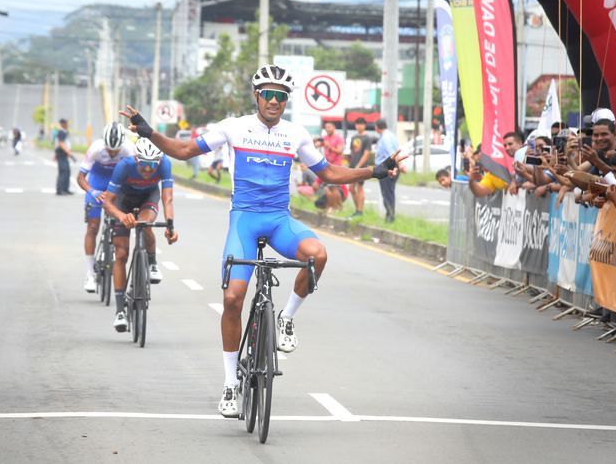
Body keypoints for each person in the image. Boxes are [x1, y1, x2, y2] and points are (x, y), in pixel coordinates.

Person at [119, 64, 406, 417]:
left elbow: (329, 173)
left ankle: (285, 317)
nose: (274, 101)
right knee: (234, 297)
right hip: (245, 221)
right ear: (256, 95)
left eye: (280, 96)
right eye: (267, 94)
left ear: (286, 100)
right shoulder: (234, 127)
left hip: (279, 220)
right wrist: (148, 132)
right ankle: (229, 384)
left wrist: (375, 171)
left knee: (318, 254)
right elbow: (182, 151)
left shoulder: (296, 134)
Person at [100, 138, 178, 331]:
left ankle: (151, 263)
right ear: (137, 159)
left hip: (148, 198)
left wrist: (170, 225)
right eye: (144, 163)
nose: (149, 169)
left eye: (153, 164)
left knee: (145, 224)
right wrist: (121, 216)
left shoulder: (164, 164)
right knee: (121, 254)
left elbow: (167, 199)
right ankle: (120, 311)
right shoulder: (124, 166)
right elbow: (108, 202)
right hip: (123, 202)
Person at [76, 122, 135, 293]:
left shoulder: (129, 149)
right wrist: (92, 191)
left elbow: (134, 175)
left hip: (118, 184)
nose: (112, 153)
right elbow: (80, 178)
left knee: (122, 222)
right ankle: (90, 273)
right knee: (92, 226)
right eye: (109, 150)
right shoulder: (95, 148)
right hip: (97, 182)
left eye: (116, 151)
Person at [374, 118, 400, 222]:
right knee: (390, 192)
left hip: (387, 168)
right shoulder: (391, 135)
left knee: (387, 193)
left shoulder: (385, 138)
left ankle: (390, 217)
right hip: (392, 166)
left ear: (377, 127)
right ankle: (390, 215)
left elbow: (391, 152)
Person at [347, 117, 373, 217]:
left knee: (360, 187)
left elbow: (366, 154)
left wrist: (358, 166)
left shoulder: (367, 138)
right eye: (357, 124)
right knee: (351, 188)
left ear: (364, 125)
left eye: (361, 124)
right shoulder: (353, 137)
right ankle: (357, 209)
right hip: (352, 166)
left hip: (362, 167)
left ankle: (360, 211)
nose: (359, 126)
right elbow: (352, 152)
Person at [54, 118, 75, 195]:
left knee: (67, 172)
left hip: (63, 155)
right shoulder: (61, 132)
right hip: (62, 154)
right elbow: (61, 143)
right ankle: (60, 190)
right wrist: (69, 153)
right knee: (63, 172)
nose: (67, 125)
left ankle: (65, 189)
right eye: (66, 123)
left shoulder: (64, 132)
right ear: (62, 124)